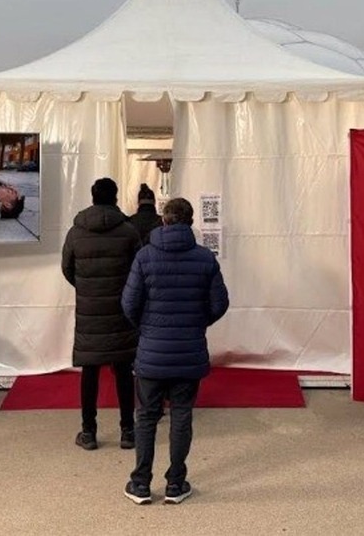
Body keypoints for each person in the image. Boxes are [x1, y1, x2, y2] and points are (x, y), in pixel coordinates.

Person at [121, 197, 229, 505]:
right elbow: (220, 303)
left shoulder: (144, 257)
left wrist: (147, 329)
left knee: (146, 417)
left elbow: (129, 304)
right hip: (189, 350)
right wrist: (197, 324)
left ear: (163, 221)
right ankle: (175, 483)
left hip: (152, 353)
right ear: (191, 221)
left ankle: (140, 483)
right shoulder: (205, 258)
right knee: (182, 415)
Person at [61, 178, 141, 452]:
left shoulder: (75, 232)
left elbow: (67, 269)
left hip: (89, 310)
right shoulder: (129, 231)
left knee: (90, 371)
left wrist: (87, 287)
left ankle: (89, 432)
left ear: (92, 197)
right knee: (123, 371)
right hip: (121, 310)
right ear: (116, 197)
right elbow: (138, 269)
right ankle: (128, 432)